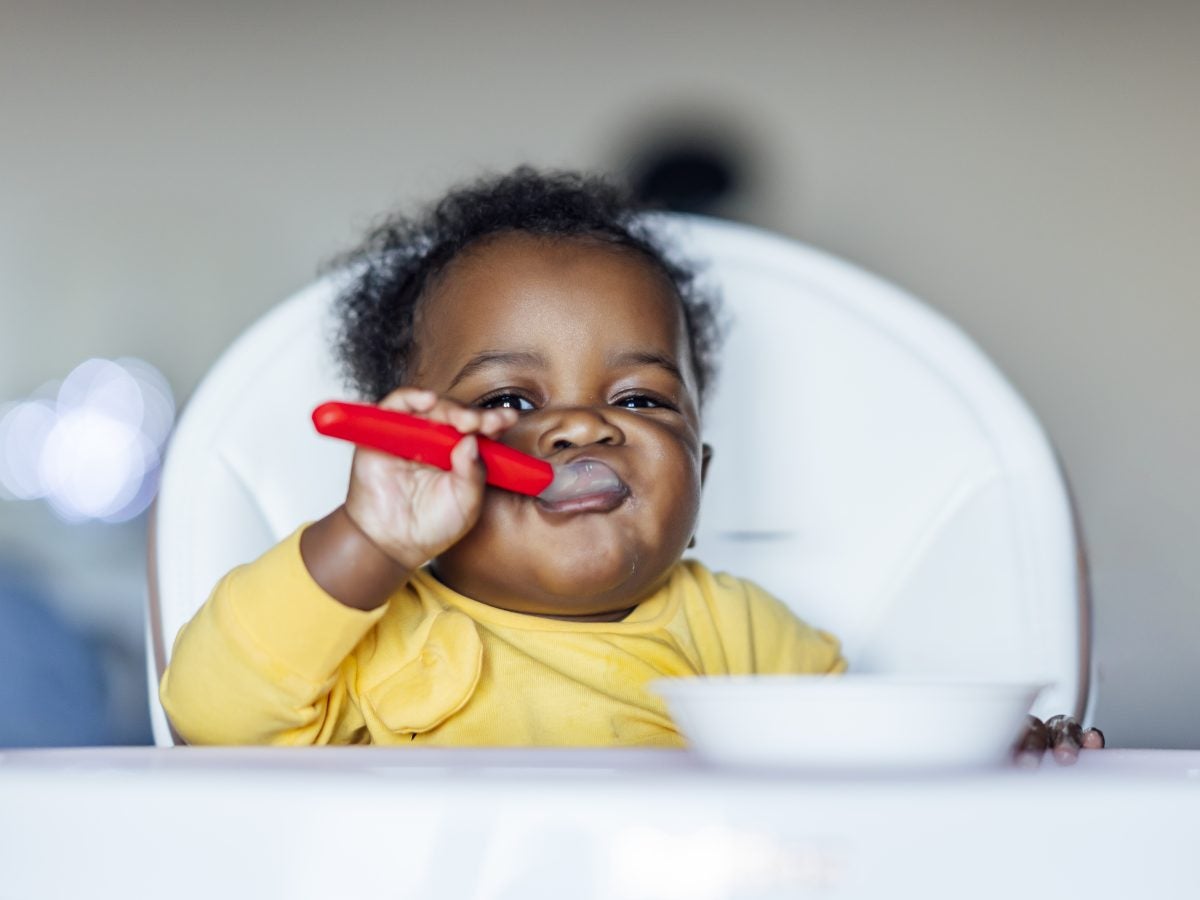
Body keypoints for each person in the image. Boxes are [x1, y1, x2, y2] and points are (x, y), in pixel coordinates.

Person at [160, 167, 1101, 759]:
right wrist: (368, 542)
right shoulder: (373, 634)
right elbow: (209, 714)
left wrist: (998, 754)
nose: (581, 428)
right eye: (510, 400)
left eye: (641, 401)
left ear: (701, 473)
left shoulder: (737, 631)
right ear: (417, 457)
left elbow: (849, 769)